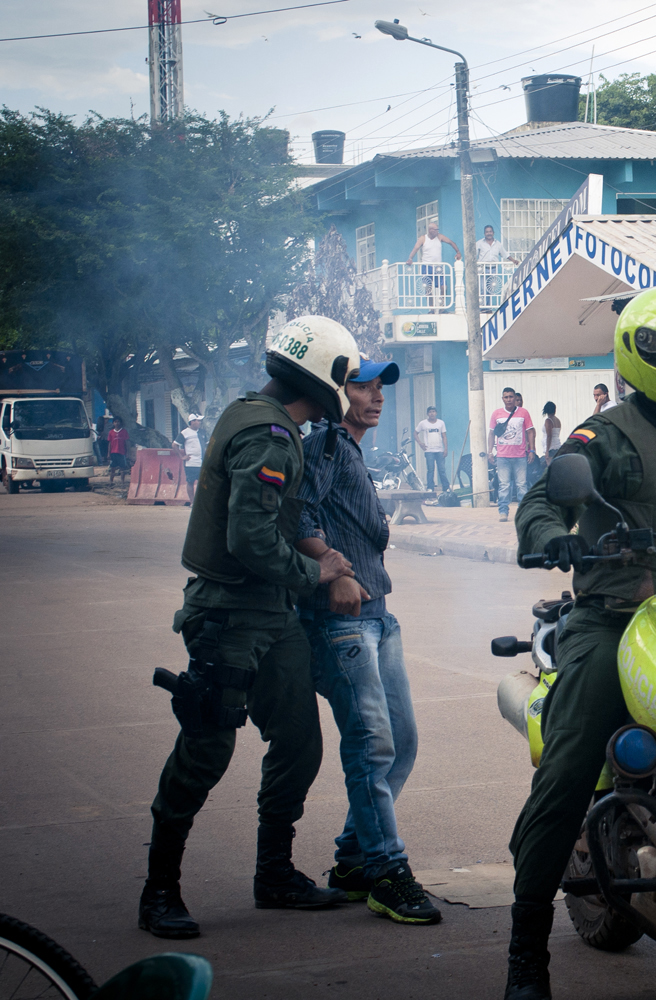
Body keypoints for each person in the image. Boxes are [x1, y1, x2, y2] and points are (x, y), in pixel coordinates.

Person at [506, 285, 656, 1000]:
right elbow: (545, 498)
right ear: (647, 358)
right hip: (617, 620)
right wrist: (549, 536)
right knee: (573, 759)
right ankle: (525, 955)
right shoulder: (603, 436)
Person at [140, 315, 361, 940]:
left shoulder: (259, 417)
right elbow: (250, 538)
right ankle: (159, 890)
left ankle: (274, 874)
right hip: (229, 615)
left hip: (270, 615)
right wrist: (316, 571)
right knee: (206, 748)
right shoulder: (268, 434)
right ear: (320, 379)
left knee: (298, 741)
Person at [294, 358, 441, 926]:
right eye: (362, 387)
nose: (375, 397)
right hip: (343, 620)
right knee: (372, 745)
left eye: (379, 388)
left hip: (379, 615)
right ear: (336, 393)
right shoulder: (325, 445)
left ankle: (354, 858)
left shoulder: (350, 449)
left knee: (400, 742)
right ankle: (385, 869)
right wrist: (337, 570)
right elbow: (302, 517)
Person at [488, 387, 533, 522]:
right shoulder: (496, 414)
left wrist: (532, 450)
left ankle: (523, 512)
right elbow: (491, 433)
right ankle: (503, 511)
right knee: (504, 485)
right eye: (506, 397)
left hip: (520, 456)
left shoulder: (524, 413)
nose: (509, 399)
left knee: (521, 485)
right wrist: (490, 452)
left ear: (515, 398)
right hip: (502, 456)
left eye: (511, 397)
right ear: (502, 399)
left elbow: (530, 431)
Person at [406, 221, 462, 313]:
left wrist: (458, 252)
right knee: (428, 288)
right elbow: (416, 248)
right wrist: (410, 258)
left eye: (437, 230)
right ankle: (431, 309)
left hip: (438, 268)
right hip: (427, 267)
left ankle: (442, 307)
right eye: (436, 230)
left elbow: (451, 242)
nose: (437, 231)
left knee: (443, 287)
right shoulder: (423, 238)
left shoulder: (439, 237)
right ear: (430, 230)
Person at [414, 405, 449, 491]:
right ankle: (430, 487)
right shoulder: (423, 423)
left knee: (442, 470)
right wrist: (420, 443)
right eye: (430, 412)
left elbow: (444, 436)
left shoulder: (441, 423)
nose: (432, 413)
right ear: (427, 414)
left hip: (440, 450)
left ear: (436, 413)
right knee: (430, 470)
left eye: (433, 411)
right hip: (429, 450)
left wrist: (445, 449)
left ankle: (446, 487)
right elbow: (415, 433)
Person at [476, 224, 503, 305]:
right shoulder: (479, 243)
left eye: (490, 231)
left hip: (493, 268)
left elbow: (504, 254)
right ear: (484, 233)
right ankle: (482, 306)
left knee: (490, 289)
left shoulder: (498, 244)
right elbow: (473, 254)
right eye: (487, 232)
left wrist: (514, 260)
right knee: (482, 288)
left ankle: (487, 307)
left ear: (493, 233)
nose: (489, 233)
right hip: (482, 268)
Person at [180, 414, 205, 495]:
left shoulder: (201, 432)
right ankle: (192, 502)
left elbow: (208, 444)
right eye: (198, 421)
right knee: (190, 482)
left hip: (202, 463)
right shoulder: (185, 433)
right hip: (191, 463)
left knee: (203, 483)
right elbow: (174, 445)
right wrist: (182, 457)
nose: (199, 422)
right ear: (192, 422)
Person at [107, 417, 130, 484]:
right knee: (112, 468)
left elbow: (127, 442)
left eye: (118, 422)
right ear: (113, 423)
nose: (117, 423)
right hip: (113, 452)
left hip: (122, 452)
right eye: (115, 422)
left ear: (120, 423)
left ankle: (122, 482)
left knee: (122, 468)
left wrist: (128, 453)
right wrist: (108, 453)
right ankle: (111, 482)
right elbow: (110, 443)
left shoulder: (124, 431)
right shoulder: (111, 432)